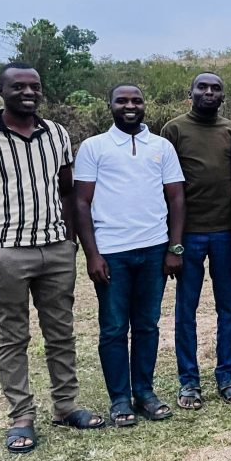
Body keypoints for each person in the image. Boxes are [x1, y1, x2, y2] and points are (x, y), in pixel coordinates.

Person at [0, 63, 104, 453]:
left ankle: (65, 406)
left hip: (56, 250)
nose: (28, 92)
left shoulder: (58, 134)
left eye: (35, 86)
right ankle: (21, 417)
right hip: (7, 254)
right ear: (0, 91)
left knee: (61, 333)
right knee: (13, 337)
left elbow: (67, 192)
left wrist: (69, 241)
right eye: (18, 87)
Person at [74, 84, 185, 427]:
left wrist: (174, 247)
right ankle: (120, 399)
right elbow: (81, 202)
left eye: (136, 100)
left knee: (147, 325)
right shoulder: (94, 147)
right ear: (110, 105)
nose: (130, 106)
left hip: (154, 249)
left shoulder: (161, 146)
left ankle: (145, 393)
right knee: (113, 328)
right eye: (122, 100)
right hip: (112, 253)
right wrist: (92, 254)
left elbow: (176, 198)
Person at [161, 72, 231, 409]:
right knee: (186, 309)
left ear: (223, 96)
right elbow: (165, 187)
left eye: (216, 88)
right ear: (190, 93)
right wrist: (173, 242)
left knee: (228, 309)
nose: (209, 92)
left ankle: (226, 377)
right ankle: (189, 382)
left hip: (225, 233)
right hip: (188, 234)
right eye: (202, 87)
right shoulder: (174, 130)